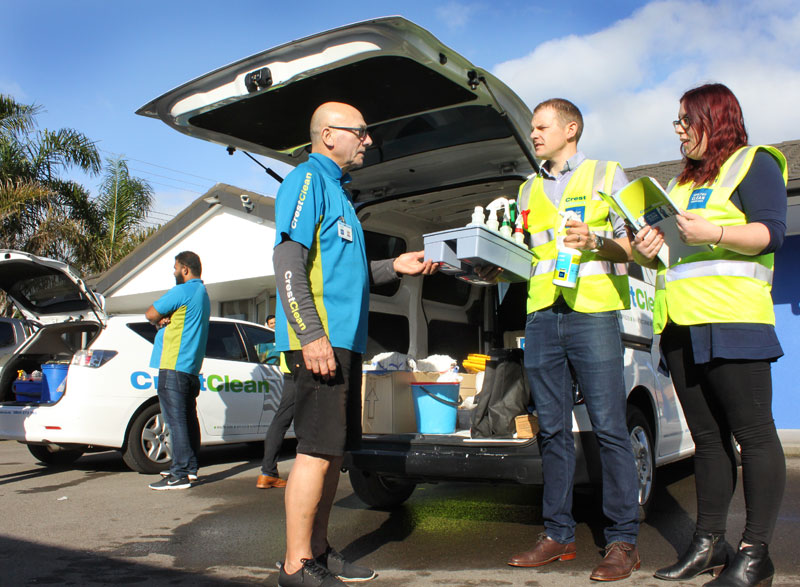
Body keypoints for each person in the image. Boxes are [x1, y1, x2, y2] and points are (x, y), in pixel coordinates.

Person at [273, 101, 437, 587]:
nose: (368, 140)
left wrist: (395, 267)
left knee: (335, 452)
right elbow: (287, 261)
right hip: (320, 341)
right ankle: (296, 564)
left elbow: (349, 274)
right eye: (360, 132)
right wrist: (310, 335)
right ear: (327, 135)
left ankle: (318, 552)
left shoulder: (342, 195)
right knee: (315, 451)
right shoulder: (305, 181)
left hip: (345, 342)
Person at [632, 83, 787, 587]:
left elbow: (770, 232)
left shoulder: (753, 163)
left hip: (734, 320)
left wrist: (714, 232)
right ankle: (709, 543)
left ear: (713, 117)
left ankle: (755, 554)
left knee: (755, 436)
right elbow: (671, 254)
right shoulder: (677, 185)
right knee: (708, 441)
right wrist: (646, 243)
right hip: (681, 325)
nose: (678, 130)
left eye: (685, 120)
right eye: (676, 122)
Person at [505, 98, 641, 581]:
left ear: (571, 128)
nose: (535, 134)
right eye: (533, 127)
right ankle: (557, 535)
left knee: (608, 427)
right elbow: (522, 255)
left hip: (593, 312)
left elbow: (637, 244)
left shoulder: (609, 175)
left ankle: (623, 540)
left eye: (542, 126)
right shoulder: (525, 190)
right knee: (553, 430)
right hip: (543, 314)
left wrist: (597, 242)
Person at [145, 251, 210, 490]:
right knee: (187, 419)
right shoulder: (202, 294)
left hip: (174, 365)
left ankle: (180, 472)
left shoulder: (183, 291)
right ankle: (190, 469)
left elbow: (151, 312)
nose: (173, 272)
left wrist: (158, 320)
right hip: (190, 368)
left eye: (175, 268)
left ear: (185, 269)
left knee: (175, 421)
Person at [256, 357, 293, 489]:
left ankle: (267, 473)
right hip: (309, 365)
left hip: (290, 368)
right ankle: (310, 473)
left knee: (281, 419)